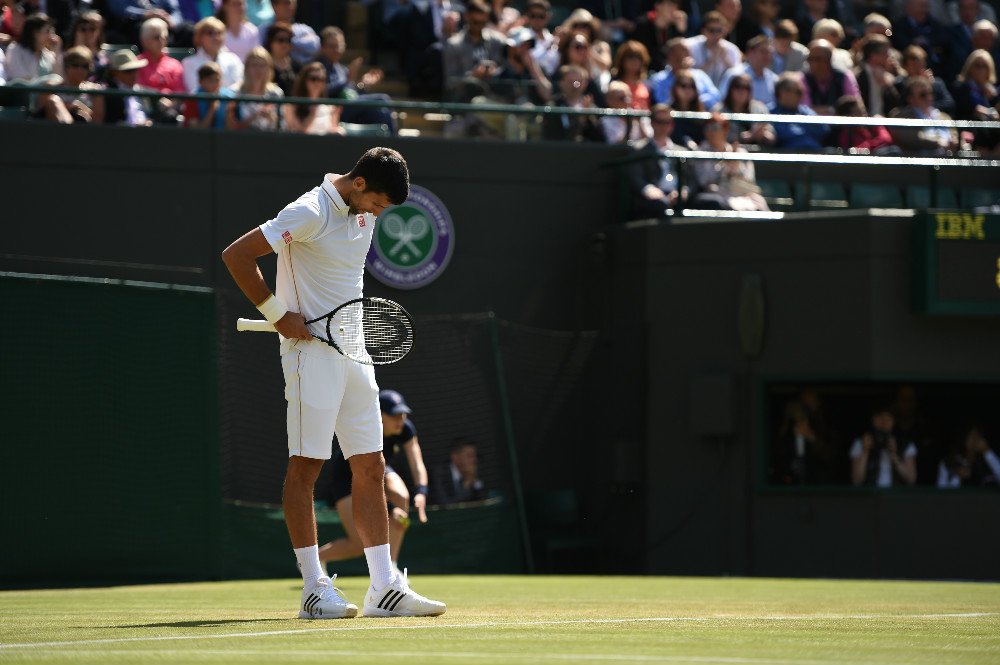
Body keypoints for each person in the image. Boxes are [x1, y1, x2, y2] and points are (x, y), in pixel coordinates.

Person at [220, 147, 446, 619]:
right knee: (307, 466)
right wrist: (277, 314)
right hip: (310, 357)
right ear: (359, 184)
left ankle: (384, 587)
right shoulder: (308, 211)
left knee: (372, 465)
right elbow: (237, 255)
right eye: (380, 204)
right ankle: (312, 589)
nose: (380, 215)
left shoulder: (364, 214)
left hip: (356, 352)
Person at [318, 390, 431, 576]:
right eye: (395, 415)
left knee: (402, 495)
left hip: (378, 469)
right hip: (347, 478)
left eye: (403, 414)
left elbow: (417, 462)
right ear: (379, 415)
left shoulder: (406, 429)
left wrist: (421, 491)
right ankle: (316, 559)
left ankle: (392, 567)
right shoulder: (366, 432)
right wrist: (391, 507)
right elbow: (366, 480)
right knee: (358, 544)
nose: (400, 420)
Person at [315, 26, 396, 132]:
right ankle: (396, 144)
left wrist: (363, 84)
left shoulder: (341, 69)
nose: (337, 50)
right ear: (322, 47)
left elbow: (351, 93)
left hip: (350, 108)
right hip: (332, 111)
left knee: (381, 113)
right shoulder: (317, 68)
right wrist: (347, 80)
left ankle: (389, 145)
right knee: (382, 99)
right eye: (332, 46)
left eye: (340, 46)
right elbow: (322, 90)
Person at [691, 113, 769, 211]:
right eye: (707, 128)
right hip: (716, 195)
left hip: (742, 194)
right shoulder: (701, 152)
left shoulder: (740, 152)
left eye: (714, 128)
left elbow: (749, 178)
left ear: (725, 130)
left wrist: (735, 166)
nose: (710, 131)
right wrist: (725, 168)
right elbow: (704, 181)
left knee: (759, 203)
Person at [625, 103, 690, 219]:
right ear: (652, 123)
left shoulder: (682, 150)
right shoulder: (638, 149)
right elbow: (635, 177)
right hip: (652, 199)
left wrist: (683, 191)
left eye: (667, 122)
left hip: (676, 196)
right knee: (660, 205)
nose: (663, 126)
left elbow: (690, 180)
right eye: (659, 122)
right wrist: (649, 190)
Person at [442, 0, 507, 102]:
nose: (478, 26)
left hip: (493, 96)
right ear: (467, 17)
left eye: (483, 23)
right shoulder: (454, 44)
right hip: (464, 100)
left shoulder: (497, 40)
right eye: (475, 22)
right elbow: (450, 82)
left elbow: (507, 66)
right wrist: (472, 76)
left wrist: (495, 71)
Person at [888, 74, 959, 155]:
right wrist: (938, 142)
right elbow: (910, 137)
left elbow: (954, 135)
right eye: (923, 95)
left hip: (949, 158)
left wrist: (953, 141)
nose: (929, 97)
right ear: (911, 99)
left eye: (930, 93)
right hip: (921, 160)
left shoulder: (944, 116)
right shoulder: (900, 116)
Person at [850, 404, 918, 487]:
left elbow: (911, 480)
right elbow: (857, 481)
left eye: (888, 418)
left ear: (894, 421)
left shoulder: (906, 444)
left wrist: (894, 455)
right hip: (869, 497)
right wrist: (865, 451)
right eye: (879, 418)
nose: (883, 422)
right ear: (873, 420)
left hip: (896, 497)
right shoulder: (860, 443)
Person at [951, 49, 1000, 156]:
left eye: (985, 66)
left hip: (989, 130)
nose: (981, 70)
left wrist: (991, 97)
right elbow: (971, 108)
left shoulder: (991, 91)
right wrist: (990, 113)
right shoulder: (961, 86)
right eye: (977, 66)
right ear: (970, 67)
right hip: (970, 127)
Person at [647, 36, 719, 108]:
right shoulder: (659, 79)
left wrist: (695, 101)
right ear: (670, 56)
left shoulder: (700, 75)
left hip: (699, 117)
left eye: (688, 50)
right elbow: (662, 101)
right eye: (682, 50)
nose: (687, 54)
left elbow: (715, 96)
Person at [541, 64, 606, 142]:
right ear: (561, 83)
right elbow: (553, 136)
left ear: (585, 84)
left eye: (578, 82)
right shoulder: (552, 106)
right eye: (569, 81)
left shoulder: (592, 108)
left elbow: (599, 139)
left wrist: (588, 116)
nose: (574, 86)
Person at [769, 72, 829, 151]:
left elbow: (823, 129)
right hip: (787, 159)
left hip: (814, 156)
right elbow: (784, 134)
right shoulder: (769, 112)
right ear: (783, 93)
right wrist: (804, 128)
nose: (801, 96)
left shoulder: (804, 110)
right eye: (798, 92)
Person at [712, 72, 775, 146]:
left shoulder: (760, 109)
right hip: (727, 153)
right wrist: (740, 138)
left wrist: (763, 135)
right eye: (738, 86)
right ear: (730, 90)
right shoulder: (719, 111)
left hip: (757, 154)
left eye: (746, 87)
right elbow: (712, 136)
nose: (742, 91)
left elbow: (773, 137)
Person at [800, 38, 860, 115]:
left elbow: (854, 106)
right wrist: (833, 111)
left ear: (828, 60)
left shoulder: (845, 76)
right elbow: (804, 109)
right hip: (811, 125)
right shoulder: (802, 78)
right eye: (809, 59)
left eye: (816, 59)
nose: (811, 62)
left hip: (841, 125)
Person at [183, 16, 244, 91]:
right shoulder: (189, 63)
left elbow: (239, 84)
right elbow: (194, 90)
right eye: (210, 33)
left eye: (219, 33)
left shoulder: (233, 59)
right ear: (200, 37)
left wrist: (224, 97)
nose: (215, 37)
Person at [282, 61, 343, 135]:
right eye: (313, 79)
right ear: (304, 81)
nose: (317, 83)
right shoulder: (291, 107)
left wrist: (338, 130)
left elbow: (333, 132)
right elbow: (299, 135)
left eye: (321, 79)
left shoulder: (330, 108)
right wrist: (312, 114)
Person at [230, 46, 283, 131]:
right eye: (254, 65)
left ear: (269, 69)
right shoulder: (235, 92)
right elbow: (231, 127)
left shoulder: (276, 93)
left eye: (262, 66)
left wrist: (271, 118)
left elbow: (281, 127)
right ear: (247, 68)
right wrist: (255, 115)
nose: (258, 70)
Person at [684, 10, 741, 87]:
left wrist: (725, 60)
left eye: (719, 31)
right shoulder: (690, 46)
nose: (715, 34)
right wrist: (711, 61)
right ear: (703, 30)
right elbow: (689, 77)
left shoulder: (732, 49)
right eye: (711, 30)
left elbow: (738, 80)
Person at [718, 33, 777, 106]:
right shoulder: (734, 75)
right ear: (750, 53)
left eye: (769, 52)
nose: (767, 55)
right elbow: (723, 101)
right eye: (763, 51)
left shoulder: (774, 79)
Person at [894, 44, 955, 114]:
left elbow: (949, 104)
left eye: (921, 65)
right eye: (914, 66)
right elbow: (902, 104)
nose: (918, 70)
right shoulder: (900, 84)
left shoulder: (936, 83)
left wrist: (929, 86)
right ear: (905, 66)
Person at [629, 0, 688, 72]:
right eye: (670, 5)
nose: (674, 9)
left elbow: (679, 54)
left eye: (675, 5)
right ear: (658, 6)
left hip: (670, 71)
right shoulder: (643, 25)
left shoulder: (674, 27)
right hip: (648, 71)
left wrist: (681, 32)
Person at [854, 33, 903, 118]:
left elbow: (898, 104)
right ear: (873, 55)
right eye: (885, 53)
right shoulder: (857, 75)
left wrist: (887, 85)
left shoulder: (889, 76)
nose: (888, 56)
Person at [257, 0, 319, 66]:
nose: (290, 7)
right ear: (274, 5)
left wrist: (290, 41)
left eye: (292, 3)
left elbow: (315, 46)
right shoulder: (264, 30)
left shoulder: (304, 29)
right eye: (286, 3)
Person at [102, 49, 153, 126]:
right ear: (115, 72)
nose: (133, 74)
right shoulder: (108, 94)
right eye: (128, 70)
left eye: (135, 69)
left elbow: (152, 117)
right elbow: (111, 122)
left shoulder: (145, 92)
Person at [4, 12, 60, 81]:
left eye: (52, 31)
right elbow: (20, 79)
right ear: (34, 33)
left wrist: (57, 50)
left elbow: (59, 79)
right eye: (47, 31)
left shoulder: (49, 55)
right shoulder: (15, 49)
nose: (51, 35)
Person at [834, 95, 899, 155]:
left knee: (894, 150)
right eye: (858, 112)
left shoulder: (873, 124)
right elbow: (850, 152)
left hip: (878, 157)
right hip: (860, 164)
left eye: (863, 111)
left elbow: (886, 139)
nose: (864, 115)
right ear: (848, 116)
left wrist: (867, 147)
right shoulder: (846, 135)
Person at [137, 17, 186, 94]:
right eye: (157, 37)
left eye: (165, 37)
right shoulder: (136, 64)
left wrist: (170, 102)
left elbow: (180, 91)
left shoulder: (175, 64)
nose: (162, 41)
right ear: (144, 40)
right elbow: (138, 89)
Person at [183, 61, 236, 128]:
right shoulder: (192, 99)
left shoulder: (229, 98)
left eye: (217, 80)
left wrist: (229, 112)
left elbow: (231, 130)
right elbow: (196, 131)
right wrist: (212, 108)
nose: (215, 84)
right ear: (200, 82)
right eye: (210, 80)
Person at [432, 438, 486, 504]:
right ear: (455, 457)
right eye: (469, 456)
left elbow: (483, 500)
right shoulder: (440, 474)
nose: (474, 460)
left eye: (475, 456)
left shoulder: (477, 470)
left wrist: (475, 481)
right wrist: (466, 485)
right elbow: (444, 503)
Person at [65, 11, 107, 81]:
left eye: (92, 29)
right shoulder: (65, 56)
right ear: (75, 31)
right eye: (83, 29)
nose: (88, 33)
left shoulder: (103, 58)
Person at [611, 39, 652, 111]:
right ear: (622, 60)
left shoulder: (647, 84)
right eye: (630, 56)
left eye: (638, 57)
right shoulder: (614, 83)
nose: (635, 60)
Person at [264, 21, 298, 95]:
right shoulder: (264, 65)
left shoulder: (296, 66)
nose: (284, 44)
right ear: (271, 42)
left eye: (288, 40)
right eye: (280, 40)